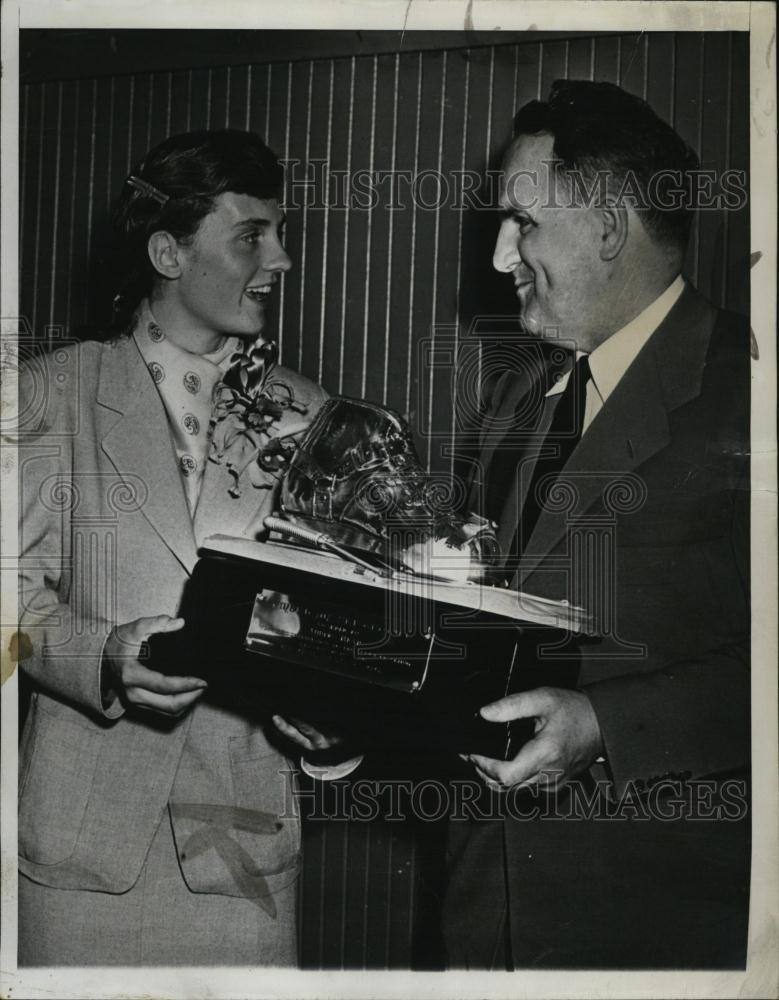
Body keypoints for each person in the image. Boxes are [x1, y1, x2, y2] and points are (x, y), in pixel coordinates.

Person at [443, 80, 751, 969]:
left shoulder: (749, 390)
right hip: (483, 910)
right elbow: (477, 635)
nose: (501, 255)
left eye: (523, 223)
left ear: (609, 227)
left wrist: (606, 728)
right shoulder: (512, 399)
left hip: (654, 923)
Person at [16, 129, 329, 965]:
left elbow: (338, 627)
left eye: (281, 232)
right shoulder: (49, 393)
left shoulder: (312, 417)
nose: (282, 259)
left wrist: (336, 710)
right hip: (76, 859)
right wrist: (105, 656)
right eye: (252, 236)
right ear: (167, 251)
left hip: (243, 860)